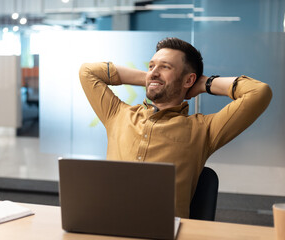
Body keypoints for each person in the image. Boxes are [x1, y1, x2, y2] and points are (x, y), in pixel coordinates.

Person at [79, 37, 272, 218]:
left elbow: (258, 92)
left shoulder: (204, 129)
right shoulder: (117, 114)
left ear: (189, 80)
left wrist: (205, 84)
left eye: (165, 67)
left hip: (163, 232)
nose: (154, 71)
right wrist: (152, 79)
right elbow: (87, 72)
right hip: (107, 225)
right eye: (151, 66)